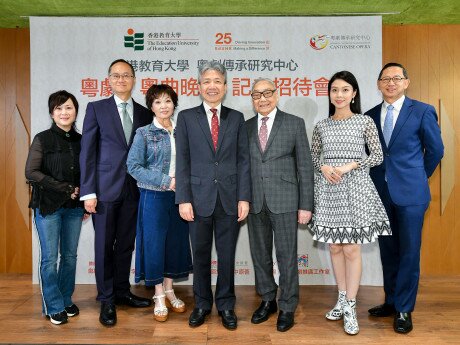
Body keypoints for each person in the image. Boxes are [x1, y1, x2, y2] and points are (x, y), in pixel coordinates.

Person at [310, 71, 391, 335]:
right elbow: (313, 159)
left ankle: (351, 306)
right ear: (329, 94)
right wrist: (323, 167)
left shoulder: (364, 121)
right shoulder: (321, 125)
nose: (340, 95)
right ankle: (342, 298)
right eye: (335, 90)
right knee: (335, 248)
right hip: (329, 191)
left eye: (345, 90)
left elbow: (377, 156)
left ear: (354, 93)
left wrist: (352, 165)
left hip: (355, 189)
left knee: (351, 250)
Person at [365, 62, 444, 334]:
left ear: (406, 82)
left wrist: (418, 177)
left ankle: (404, 309)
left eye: (396, 78)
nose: (391, 83)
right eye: (385, 79)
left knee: (409, 252)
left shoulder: (422, 111)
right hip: (379, 193)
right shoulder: (370, 115)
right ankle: (391, 301)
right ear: (378, 84)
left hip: (411, 194)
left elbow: (435, 150)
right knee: (388, 251)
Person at [175, 61, 251, 330]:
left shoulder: (236, 118)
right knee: (201, 256)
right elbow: (182, 160)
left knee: (227, 256)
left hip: (230, 198)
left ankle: (227, 305)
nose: (212, 86)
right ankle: (202, 304)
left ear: (225, 86)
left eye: (217, 81)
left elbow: (243, 161)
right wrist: (183, 198)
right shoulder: (186, 117)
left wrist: (244, 198)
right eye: (207, 81)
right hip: (196, 199)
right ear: (198, 86)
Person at [79, 59, 152, 327]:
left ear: (134, 80)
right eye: (116, 76)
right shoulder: (96, 108)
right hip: (104, 190)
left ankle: (122, 292)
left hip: (135, 190)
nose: (121, 80)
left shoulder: (144, 113)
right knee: (104, 246)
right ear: (108, 79)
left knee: (125, 245)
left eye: (126, 75)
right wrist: (88, 191)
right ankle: (107, 299)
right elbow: (87, 152)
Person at [245, 78, 314, 332]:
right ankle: (267, 300)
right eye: (256, 95)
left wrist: (306, 205)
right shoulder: (246, 127)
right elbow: (243, 166)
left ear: (278, 94)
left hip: (286, 200)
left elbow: (305, 167)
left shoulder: (294, 123)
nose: (262, 99)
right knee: (260, 255)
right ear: (252, 99)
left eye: (267, 93)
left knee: (286, 258)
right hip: (254, 201)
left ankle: (287, 305)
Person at [126, 84, 192, 322]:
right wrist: (166, 180)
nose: (163, 106)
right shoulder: (144, 133)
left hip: (181, 197)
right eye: (157, 102)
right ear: (151, 106)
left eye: (167, 101)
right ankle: (158, 295)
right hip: (154, 196)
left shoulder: (183, 130)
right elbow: (133, 167)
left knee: (175, 244)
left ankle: (170, 288)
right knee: (154, 245)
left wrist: (182, 184)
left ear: (174, 104)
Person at [25, 90, 88, 325]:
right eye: (59, 108)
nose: (64, 112)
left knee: (70, 256)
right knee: (50, 259)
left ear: (75, 112)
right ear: (52, 113)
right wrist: (64, 188)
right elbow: (31, 172)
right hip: (48, 207)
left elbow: (87, 172)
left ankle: (64, 299)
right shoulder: (42, 138)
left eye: (69, 107)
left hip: (74, 208)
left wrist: (83, 196)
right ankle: (52, 306)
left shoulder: (82, 140)